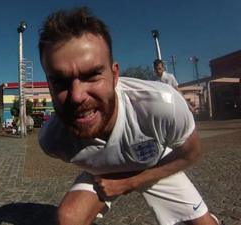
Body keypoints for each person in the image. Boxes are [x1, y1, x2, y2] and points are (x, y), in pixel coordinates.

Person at [38, 7, 219, 225]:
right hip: (104, 172)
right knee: (67, 219)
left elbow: (191, 153)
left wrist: (130, 181)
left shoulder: (161, 105)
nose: (77, 97)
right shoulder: (52, 140)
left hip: (155, 164)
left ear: (115, 75)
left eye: (92, 76)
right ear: (49, 84)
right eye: (60, 81)